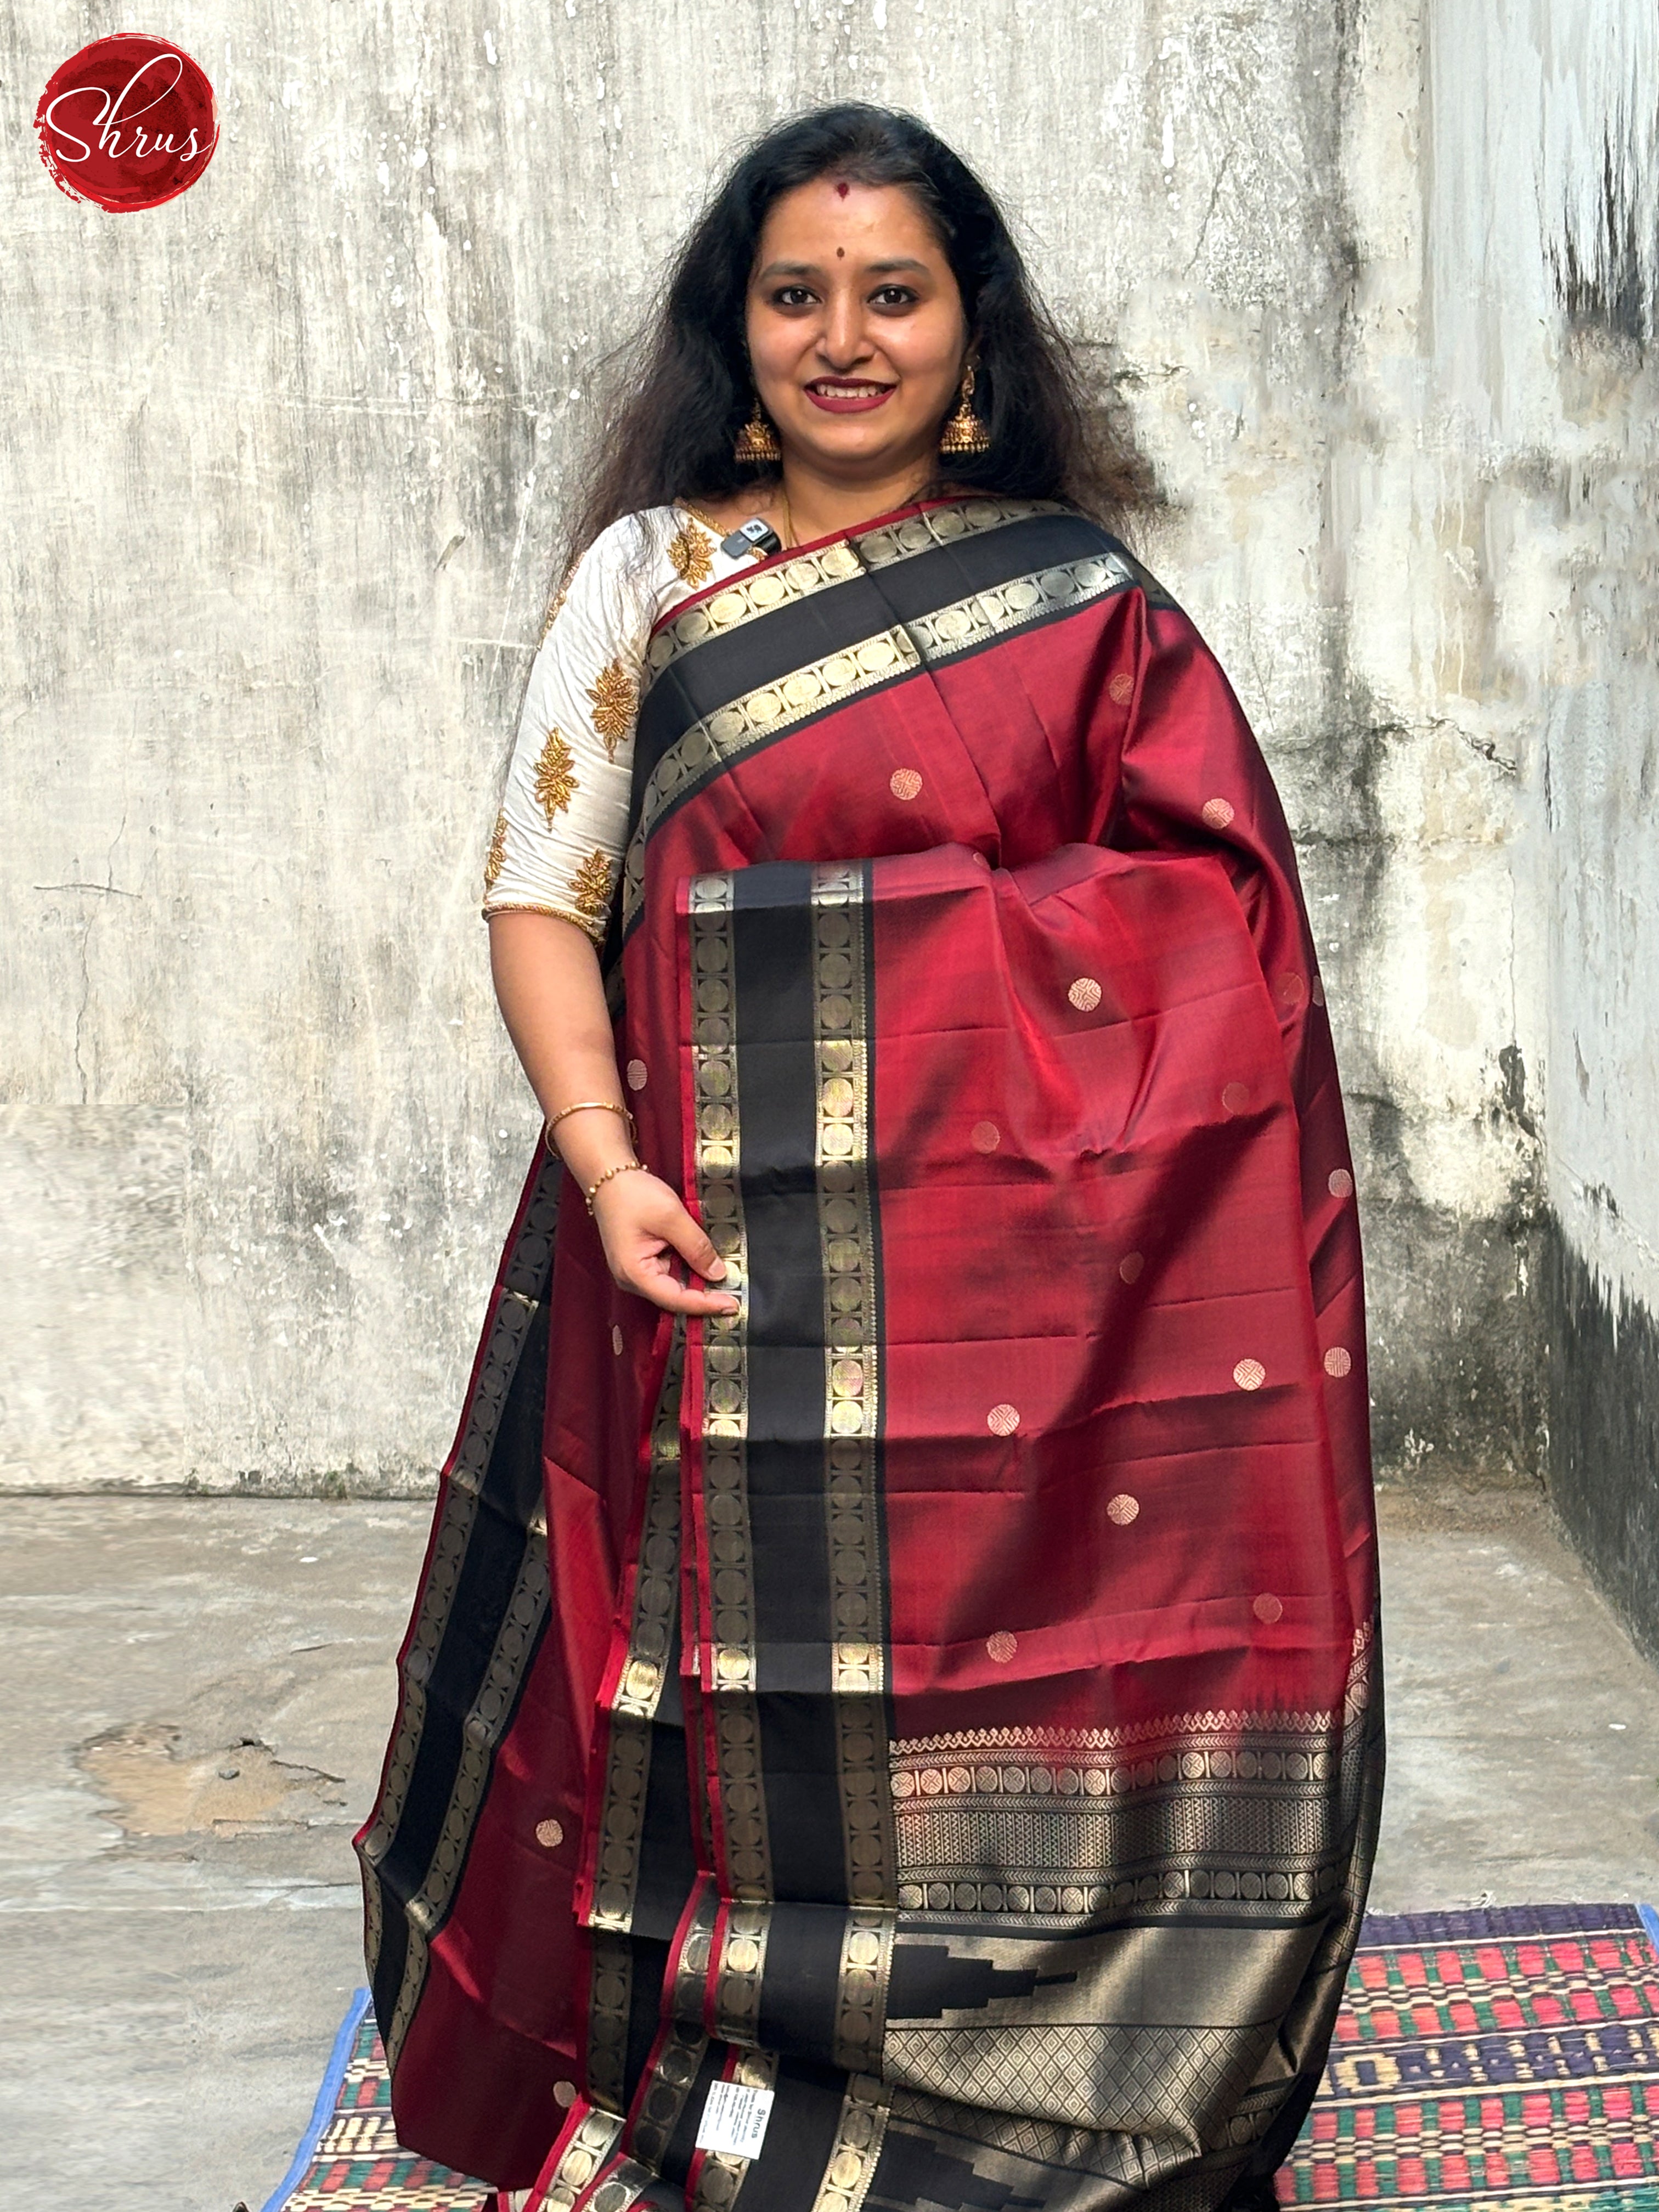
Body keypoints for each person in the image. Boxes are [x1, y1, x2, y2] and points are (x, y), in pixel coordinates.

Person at [357, 103, 1382, 2212]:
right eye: (797, 295)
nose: (846, 337)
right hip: (704, 1260)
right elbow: (542, 888)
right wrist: (608, 1151)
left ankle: (1059, 2074)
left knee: (1014, 1686)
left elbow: (1221, 936)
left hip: (1037, 1303)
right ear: (735, 335)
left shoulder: (1082, 603)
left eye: (892, 294)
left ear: (968, 332)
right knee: (705, 1684)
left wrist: (883, 988)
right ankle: (727, 2084)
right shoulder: (653, 577)